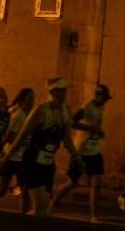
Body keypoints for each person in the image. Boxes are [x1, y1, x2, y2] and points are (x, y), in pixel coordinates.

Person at [13, 77, 83, 218]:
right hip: (33, 161)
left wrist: (77, 157)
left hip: (48, 164)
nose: (64, 93)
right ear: (53, 92)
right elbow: (21, 136)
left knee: (44, 211)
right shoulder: (40, 111)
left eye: (65, 90)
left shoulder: (66, 111)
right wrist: (6, 157)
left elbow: (67, 139)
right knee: (39, 208)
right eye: (61, 90)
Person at [50, 83, 112, 222]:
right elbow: (72, 122)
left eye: (107, 99)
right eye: (104, 98)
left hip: (95, 151)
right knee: (72, 183)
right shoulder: (87, 106)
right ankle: (53, 201)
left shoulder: (101, 107)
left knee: (96, 183)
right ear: (97, 95)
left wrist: (98, 132)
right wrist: (93, 128)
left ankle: (94, 216)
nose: (106, 101)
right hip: (82, 151)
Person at [0, 87, 35, 212]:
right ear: (22, 101)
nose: (32, 102)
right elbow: (8, 137)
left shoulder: (28, 115)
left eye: (33, 99)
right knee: (1, 190)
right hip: (11, 156)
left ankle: (22, 218)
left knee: (24, 189)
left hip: (21, 158)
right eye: (29, 99)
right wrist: (21, 141)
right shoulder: (18, 116)